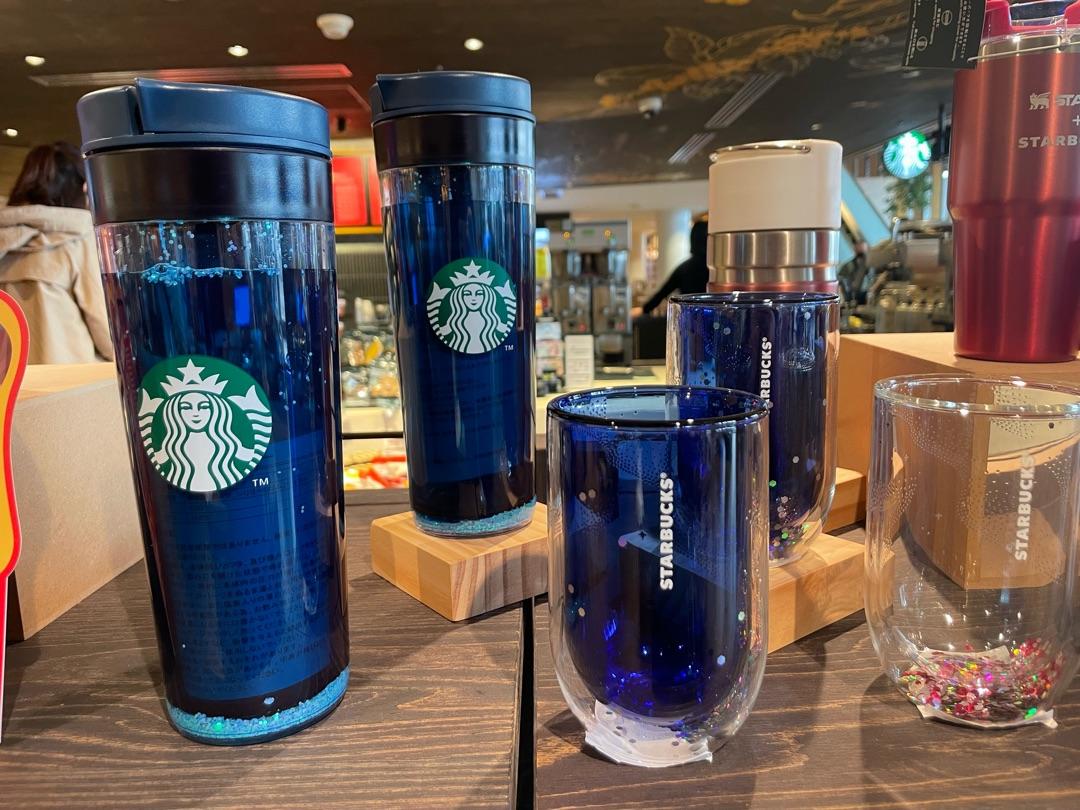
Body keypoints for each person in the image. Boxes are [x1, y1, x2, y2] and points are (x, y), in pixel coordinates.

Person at [0, 142, 113, 364]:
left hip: (13, 379)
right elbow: (106, 329)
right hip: (70, 377)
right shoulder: (79, 238)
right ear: (82, 187)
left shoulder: (5, 237)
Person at [638, 220, 709, 316]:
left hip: (689, 318)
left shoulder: (684, 268)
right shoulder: (715, 269)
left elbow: (662, 294)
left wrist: (643, 310)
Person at [838, 239, 870, 306]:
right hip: (851, 298)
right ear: (854, 249)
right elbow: (840, 279)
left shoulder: (872, 266)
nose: (860, 249)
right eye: (858, 247)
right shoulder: (847, 266)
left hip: (868, 297)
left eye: (862, 247)